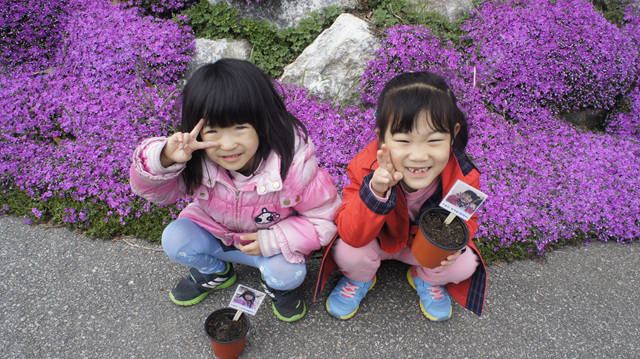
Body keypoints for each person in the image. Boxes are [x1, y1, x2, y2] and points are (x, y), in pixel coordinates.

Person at [130, 59, 341, 322]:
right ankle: (217, 272)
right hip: (217, 236)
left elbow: (325, 220)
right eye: (212, 130)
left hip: (270, 248)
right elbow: (158, 194)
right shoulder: (196, 158)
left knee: (288, 276)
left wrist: (272, 240)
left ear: (263, 121)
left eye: (240, 127)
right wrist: (165, 159)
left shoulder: (293, 166)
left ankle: (276, 287)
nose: (227, 145)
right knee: (175, 239)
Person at [314, 71, 487, 322]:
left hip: (421, 248)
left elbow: (464, 220)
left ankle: (424, 278)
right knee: (346, 250)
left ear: (454, 133)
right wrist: (375, 191)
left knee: (465, 263)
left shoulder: (464, 176)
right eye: (404, 140)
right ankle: (361, 278)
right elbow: (351, 233)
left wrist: (458, 244)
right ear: (381, 136)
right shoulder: (365, 168)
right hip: (377, 243)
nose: (418, 156)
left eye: (434, 140)